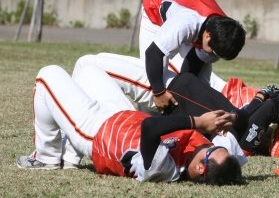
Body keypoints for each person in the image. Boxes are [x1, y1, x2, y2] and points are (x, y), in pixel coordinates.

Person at [17, 64, 243, 185]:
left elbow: (151, 129)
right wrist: (232, 118)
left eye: (211, 150)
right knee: (87, 65)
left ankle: (46, 158)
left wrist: (198, 122)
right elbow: (243, 123)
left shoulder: (166, 170)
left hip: (97, 133)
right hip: (122, 113)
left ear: (200, 168)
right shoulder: (220, 157)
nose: (211, 144)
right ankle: (69, 158)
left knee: (47, 75)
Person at [70, 53, 279, 155]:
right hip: (178, 84)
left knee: (90, 66)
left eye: (275, 134)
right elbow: (272, 92)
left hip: (171, 92)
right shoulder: (248, 120)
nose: (271, 131)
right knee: (92, 64)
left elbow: (274, 104)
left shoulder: (247, 138)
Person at [139, 0, 246, 110]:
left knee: (201, 84)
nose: (213, 56)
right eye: (214, 53)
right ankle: (146, 117)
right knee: (151, 82)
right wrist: (159, 93)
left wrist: (186, 98)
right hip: (154, 9)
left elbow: (189, 74)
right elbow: (153, 54)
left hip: (192, 8)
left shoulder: (221, 34)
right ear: (208, 36)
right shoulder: (186, 23)